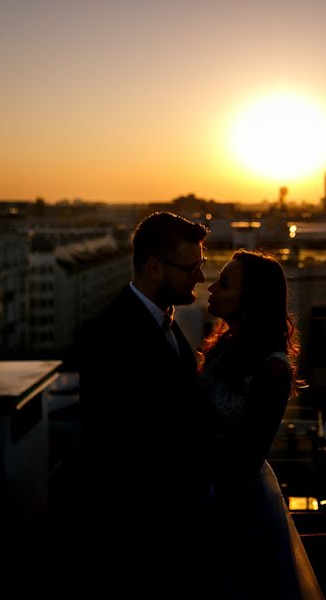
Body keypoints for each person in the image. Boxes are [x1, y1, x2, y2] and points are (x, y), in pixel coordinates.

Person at [76, 212, 211, 571]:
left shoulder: (159, 317)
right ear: (154, 267)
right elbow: (115, 448)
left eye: (202, 264)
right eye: (191, 268)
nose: (200, 276)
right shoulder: (111, 337)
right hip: (140, 536)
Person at [200, 250, 324, 599]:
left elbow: (245, 459)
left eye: (224, 283)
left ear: (250, 298)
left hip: (236, 505)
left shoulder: (272, 369)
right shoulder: (224, 348)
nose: (211, 288)